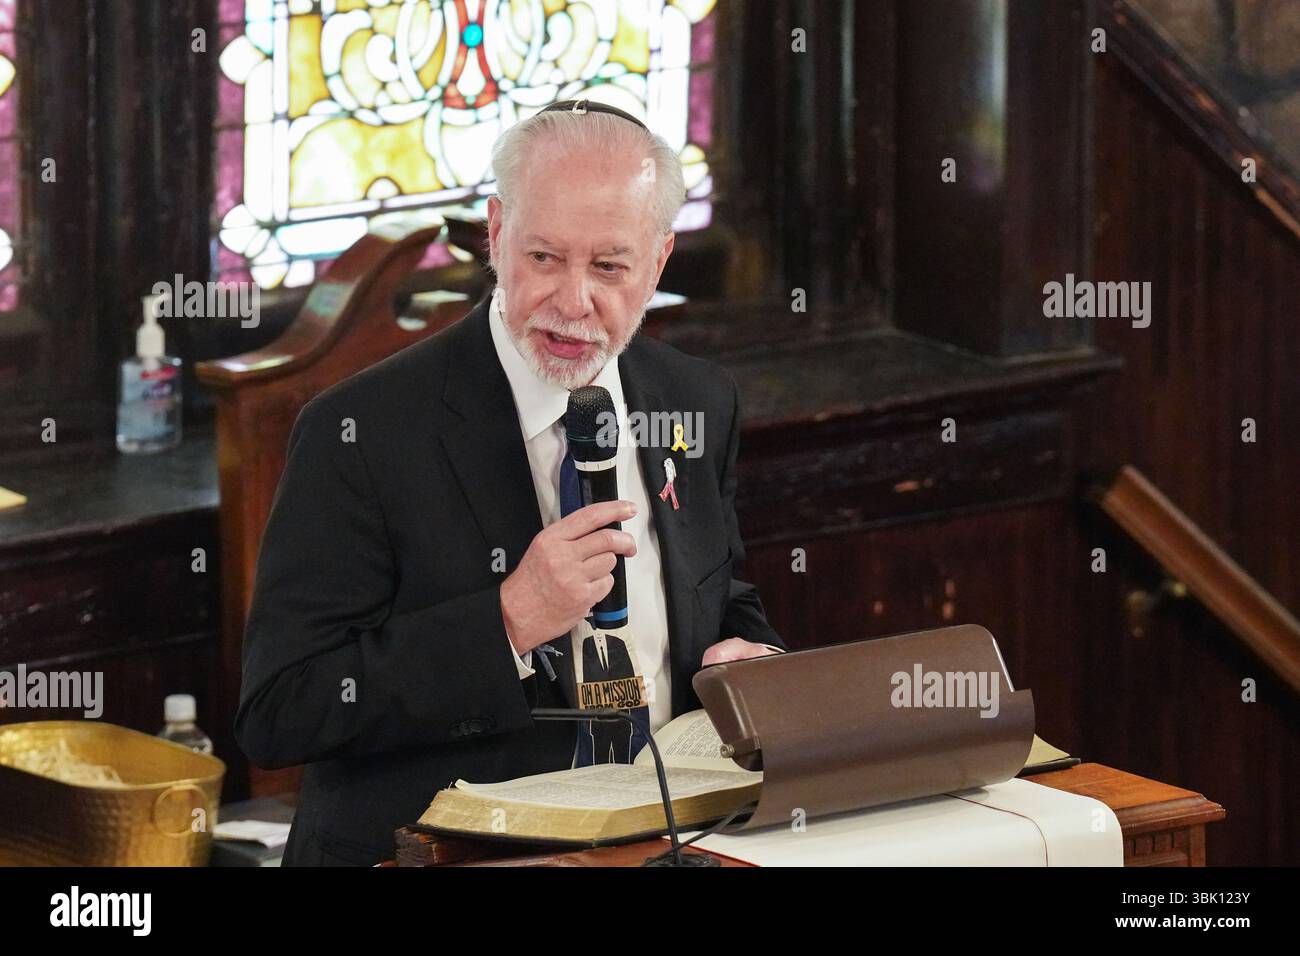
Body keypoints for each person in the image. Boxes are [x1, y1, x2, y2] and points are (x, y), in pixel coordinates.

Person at [235, 100, 784, 866]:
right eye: (544, 259)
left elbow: (722, 598)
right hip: (449, 853)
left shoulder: (695, 400)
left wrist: (754, 663)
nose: (572, 302)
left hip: (669, 840)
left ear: (658, 263)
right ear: (496, 236)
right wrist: (509, 620)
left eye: (609, 268)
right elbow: (282, 711)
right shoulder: (360, 432)